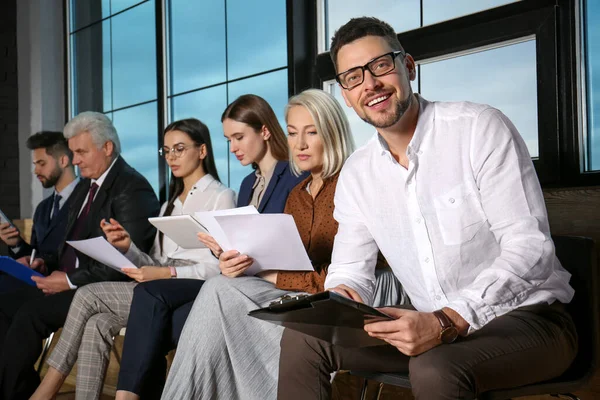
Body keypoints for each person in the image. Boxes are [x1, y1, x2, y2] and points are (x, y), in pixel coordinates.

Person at [276, 17, 577, 400]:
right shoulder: (357, 173)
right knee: (304, 339)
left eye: (381, 65)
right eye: (353, 78)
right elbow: (352, 269)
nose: (370, 84)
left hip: (530, 322)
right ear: (347, 96)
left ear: (409, 66)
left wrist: (446, 320)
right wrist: (343, 302)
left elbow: (529, 248)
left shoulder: (478, 129)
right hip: (426, 328)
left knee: (434, 366)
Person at [160, 88, 400, 400]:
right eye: (292, 133)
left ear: (332, 131)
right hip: (306, 289)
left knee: (226, 300)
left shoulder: (352, 183)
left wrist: (269, 276)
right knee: (220, 287)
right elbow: (292, 264)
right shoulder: (298, 194)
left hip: (356, 293)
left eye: (311, 132)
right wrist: (237, 260)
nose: (299, 144)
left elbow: (342, 278)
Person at [113, 95, 307, 400]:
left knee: (163, 318)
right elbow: (244, 247)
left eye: (239, 137)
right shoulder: (247, 185)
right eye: (229, 139)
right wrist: (223, 251)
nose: (232, 148)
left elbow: (292, 246)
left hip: (267, 287)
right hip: (238, 281)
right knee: (166, 324)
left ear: (265, 131)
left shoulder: (294, 177)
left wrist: (226, 260)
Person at [29, 118, 236, 400]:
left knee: (88, 295)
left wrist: (166, 275)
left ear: (202, 151)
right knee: (97, 323)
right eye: (166, 151)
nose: (172, 157)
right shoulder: (169, 203)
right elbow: (156, 262)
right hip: (160, 286)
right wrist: (128, 248)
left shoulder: (222, 196)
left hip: (192, 290)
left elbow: (219, 268)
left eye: (179, 149)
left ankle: (47, 388)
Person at [0, 111, 160, 400]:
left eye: (81, 152)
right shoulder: (88, 186)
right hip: (71, 282)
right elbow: (71, 244)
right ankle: (16, 390)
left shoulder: (131, 187)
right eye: (72, 153)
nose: (74, 161)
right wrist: (45, 263)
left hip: (99, 289)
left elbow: (128, 260)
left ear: (107, 148)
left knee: (29, 314)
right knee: (3, 302)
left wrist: (70, 281)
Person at [0, 131, 78, 293]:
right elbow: (35, 255)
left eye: (41, 163)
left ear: (63, 160)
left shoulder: (87, 199)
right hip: (38, 285)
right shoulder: (43, 208)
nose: (36, 171)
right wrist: (16, 244)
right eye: (35, 164)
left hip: (68, 288)